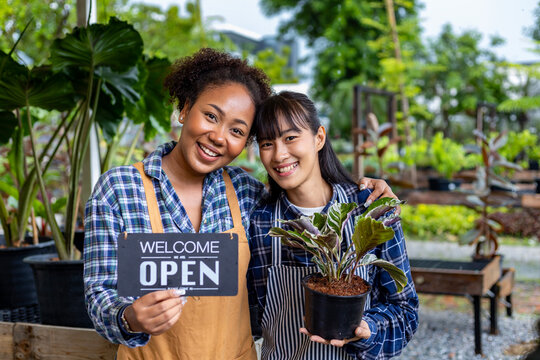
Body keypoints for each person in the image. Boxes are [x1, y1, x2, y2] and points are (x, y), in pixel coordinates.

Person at [84, 49, 395, 360]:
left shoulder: (247, 193)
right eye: (210, 116)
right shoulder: (119, 189)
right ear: (184, 109)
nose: (219, 137)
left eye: (237, 131)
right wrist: (129, 318)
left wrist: (362, 188)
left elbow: (307, 199)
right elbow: (99, 295)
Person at [248, 91, 419, 360]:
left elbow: (405, 310)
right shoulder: (261, 223)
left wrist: (367, 330)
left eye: (290, 137)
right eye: (267, 143)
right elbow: (250, 318)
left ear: (319, 138)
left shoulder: (371, 208)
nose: (279, 154)